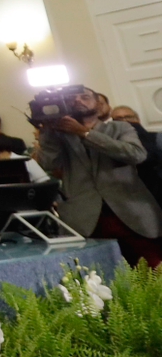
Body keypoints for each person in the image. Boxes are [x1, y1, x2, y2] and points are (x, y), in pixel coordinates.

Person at [36, 86, 162, 266]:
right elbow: (48, 164)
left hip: (130, 213)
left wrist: (84, 133)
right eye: (72, 98)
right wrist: (47, 131)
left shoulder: (120, 127)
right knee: (98, 279)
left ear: (99, 104)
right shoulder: (59, 136)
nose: (78, 100)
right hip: (84, 218)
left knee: (153, 272)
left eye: (85, 97)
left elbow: (136, 154)